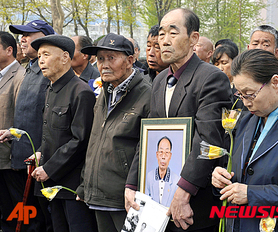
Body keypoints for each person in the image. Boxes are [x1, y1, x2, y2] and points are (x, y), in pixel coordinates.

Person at [125, 8, 232, 232]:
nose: (164, 41)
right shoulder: (160, 80)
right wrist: (132, 184)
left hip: (193, 204)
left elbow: (208, 141)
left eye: (172, 34)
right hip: (159, 202)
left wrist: (183, 191)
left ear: (193, 38)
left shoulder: (211, 78)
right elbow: (148, 136)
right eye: (161, 34)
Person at [211, 49, 278, 232]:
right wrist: (220, 177)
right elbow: (235, 168)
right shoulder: (246, 119)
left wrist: (252, 194)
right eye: (240, 95)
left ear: (275, 82)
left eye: (250, 94)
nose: (245, 102)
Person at [76, 33, 151, 232]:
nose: (104, 65)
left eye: (111, 58)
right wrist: (85, 184)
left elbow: (145, 148)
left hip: (125, 197)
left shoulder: (147, 94)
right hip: (99, 194)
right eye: (100, 59)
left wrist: (132, 187)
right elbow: (94, 141)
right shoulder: (105, 91)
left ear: (130, 61)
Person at [29, 34, 97, 232]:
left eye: (46, 54)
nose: (41, 60)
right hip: (52, 184)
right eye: (39, 55)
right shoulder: (51, 89)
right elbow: (54, 132)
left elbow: (80, 140)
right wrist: (41, 151)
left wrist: (49, 168)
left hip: (71, 186)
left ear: (65, 57)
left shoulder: (81, 91)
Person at [0, 20, 55, 232]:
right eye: (21, 34)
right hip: (19, 158)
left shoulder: (46, 73)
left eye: (29, 34)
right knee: (21, 216)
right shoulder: (30, 69)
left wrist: (41, 151)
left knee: (35, 218)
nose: (23, 38)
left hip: (36, 161)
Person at [0, 31, 25, 232]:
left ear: (9, 50)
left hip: (10, 158)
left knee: (18, 211)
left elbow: (21, 117)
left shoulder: (20, 75)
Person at [145, 136, 180, 207]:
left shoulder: (176, 180)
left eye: (167, 152)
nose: (163, 156)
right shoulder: (149, 176)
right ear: (157, 155)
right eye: (161, 152)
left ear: (170, 156)